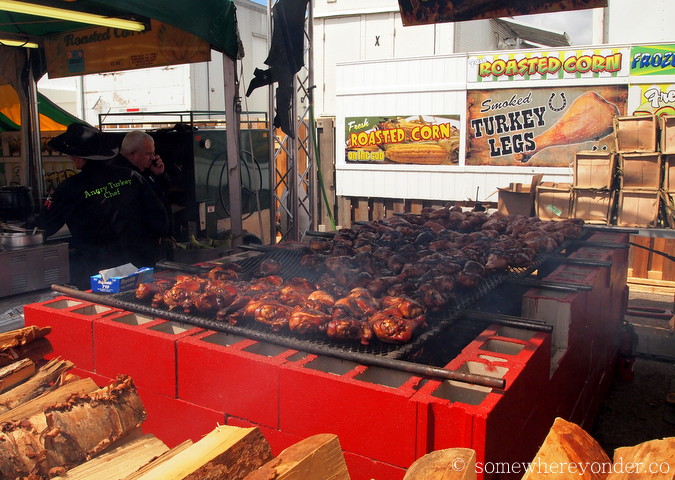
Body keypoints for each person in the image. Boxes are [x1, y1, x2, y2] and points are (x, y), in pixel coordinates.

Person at [31, 123, 171, 289]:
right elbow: (160, 222)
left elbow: (45, 225)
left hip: (98, 271)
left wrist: (20, 230)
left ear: (79, 157)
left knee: (104, 304)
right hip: (139, 265)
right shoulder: (132, 176)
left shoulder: (71, 187)